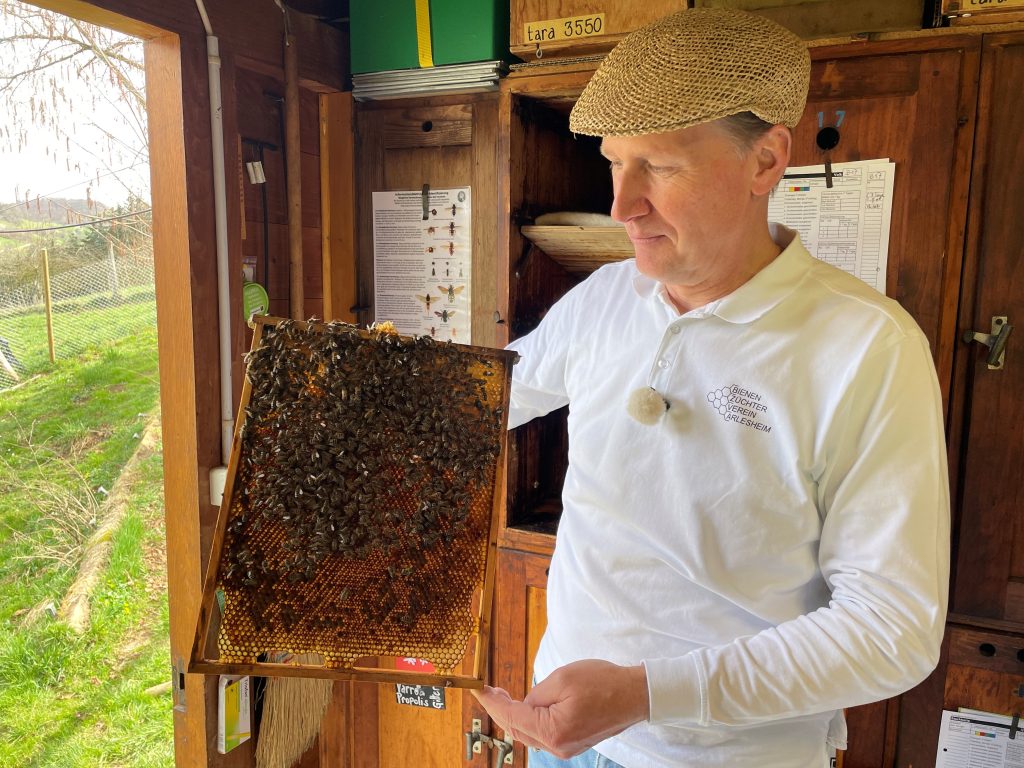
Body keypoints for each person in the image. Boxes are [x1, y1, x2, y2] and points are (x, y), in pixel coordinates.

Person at [473, 8, 950, 768]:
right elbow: (488, 398)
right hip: (563, 733)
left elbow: (892, 631)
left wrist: (646, 694)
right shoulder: (607, 297)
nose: (622, 206)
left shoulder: (869, 348)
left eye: (659, 167)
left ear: (766, 161)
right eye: (614, 163)